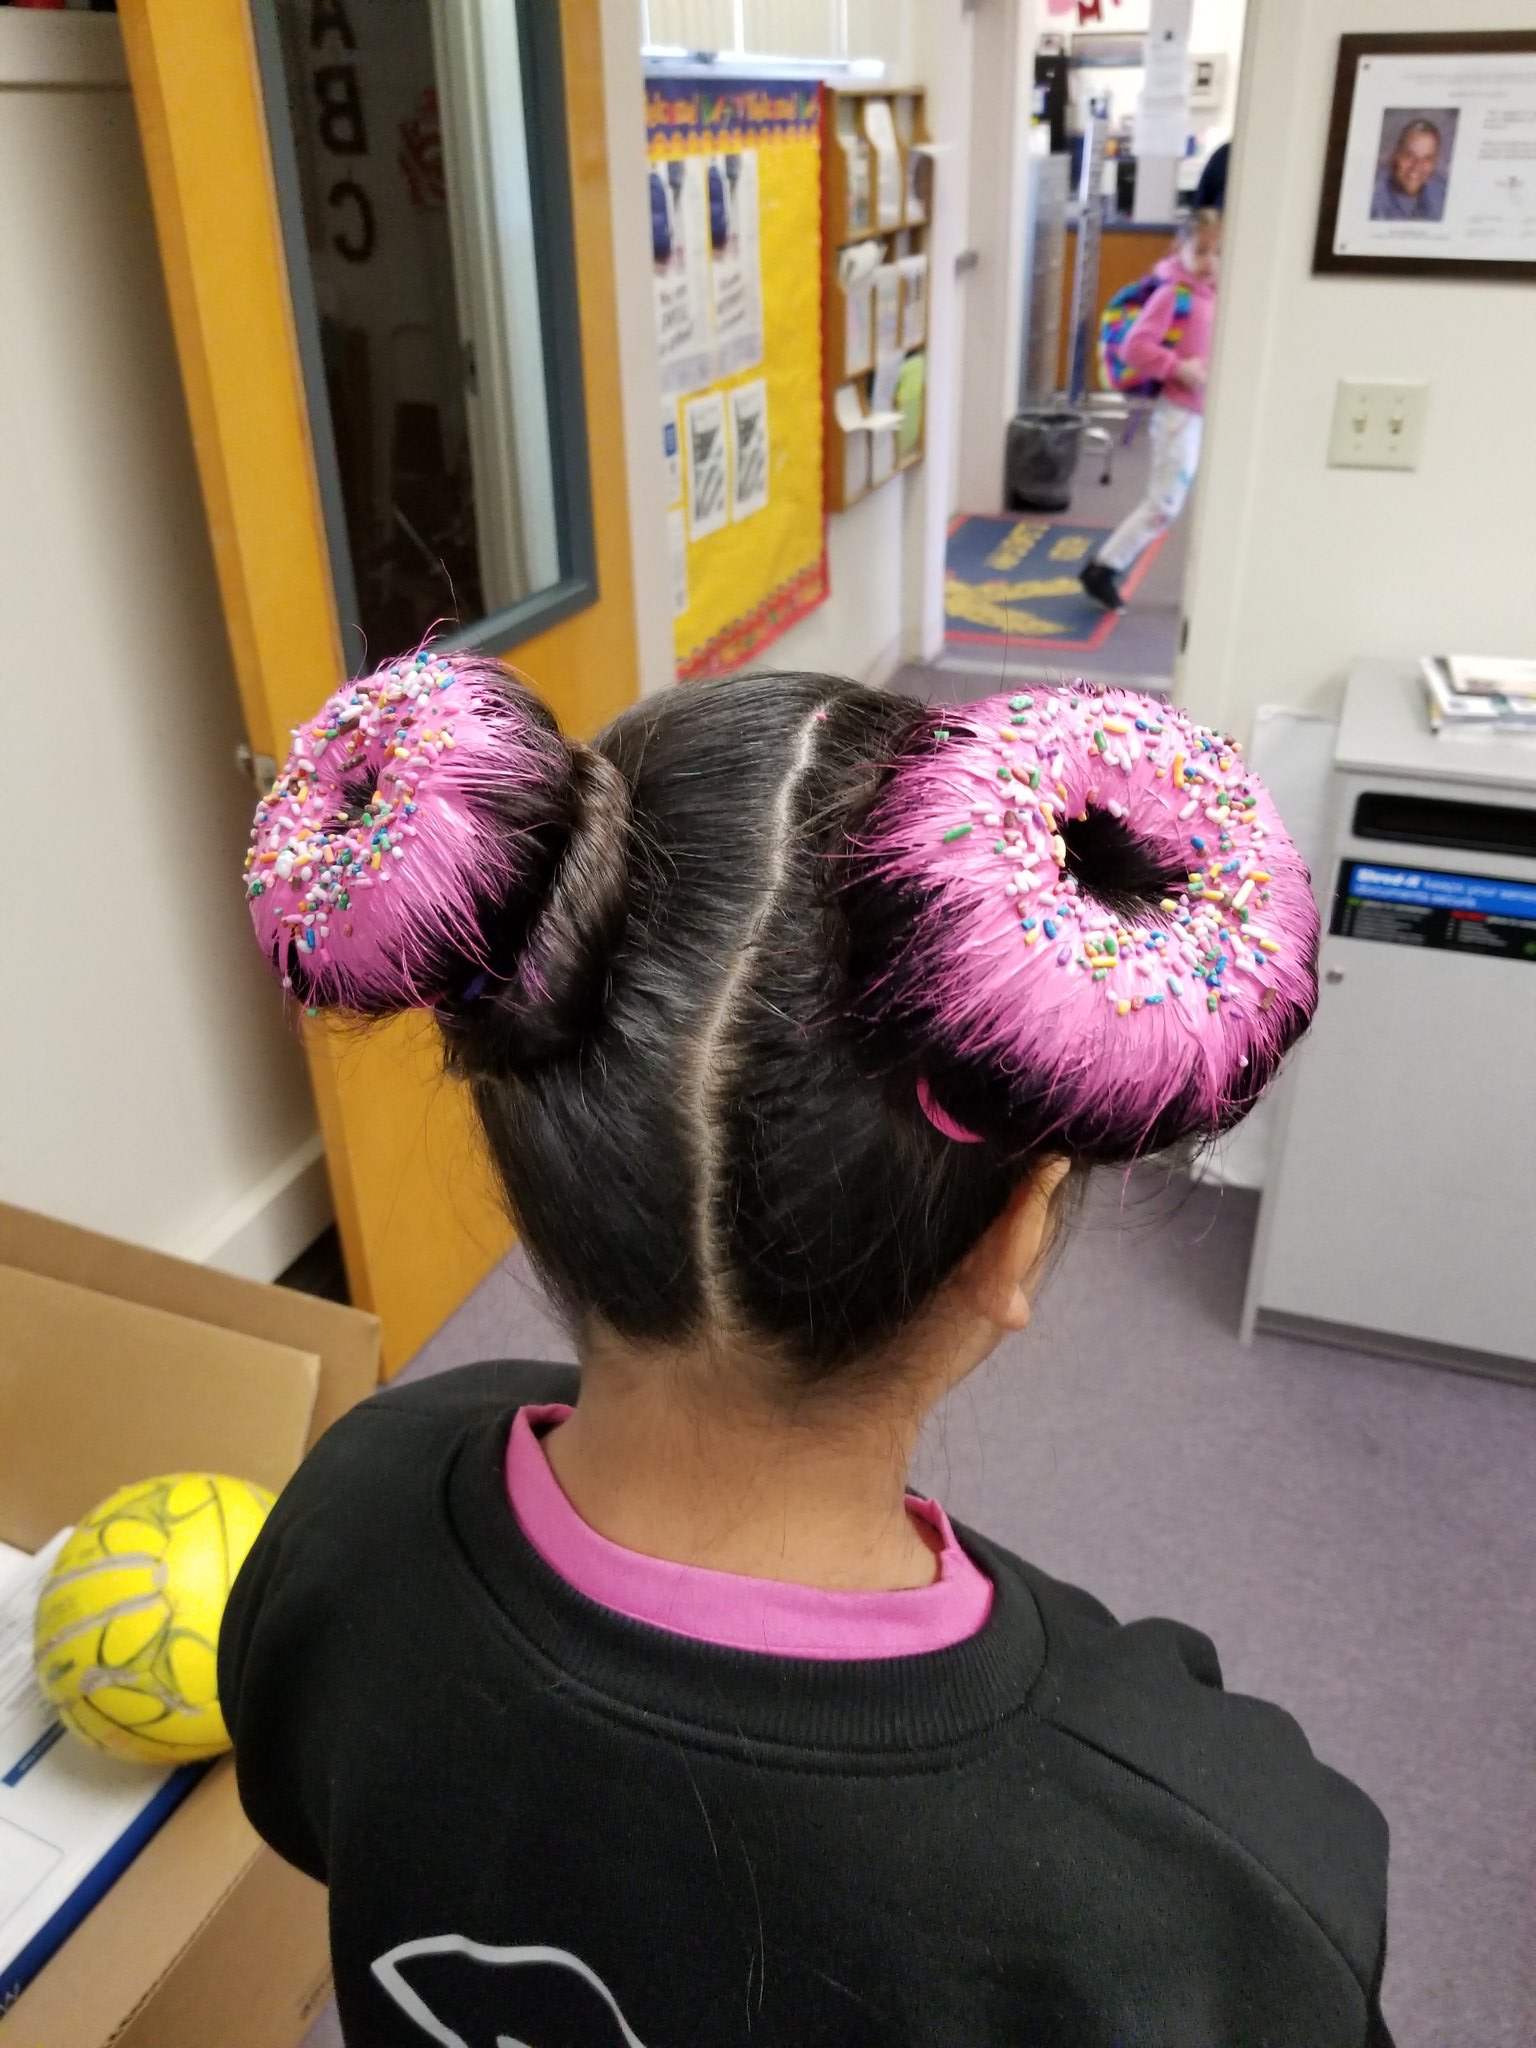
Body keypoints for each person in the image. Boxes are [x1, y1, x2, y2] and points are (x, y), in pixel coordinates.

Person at [228, 656, 1395, 2047]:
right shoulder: (1219, 1877)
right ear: (1013, 1233)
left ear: (534, 1149)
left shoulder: (346, 1512)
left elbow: (310, 1821)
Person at [1080, 210, 1220, 612]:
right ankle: (1104, 568)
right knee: (1163, 504)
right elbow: (1134, 346)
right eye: (1202, 250)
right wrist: (1179, 368)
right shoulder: (1173, 294)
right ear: (1181, 248)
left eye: (1219, 252)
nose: (1210, 261)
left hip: (1206, 415)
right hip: (1179, 415)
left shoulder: (1216, 292)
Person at [1371, 116, 1449, 222]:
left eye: (1427, 159)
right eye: (1409, 155)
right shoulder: (1371, 198)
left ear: (1434, 163)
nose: (1416, 167)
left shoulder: (1444, 195)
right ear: (1395, 155)